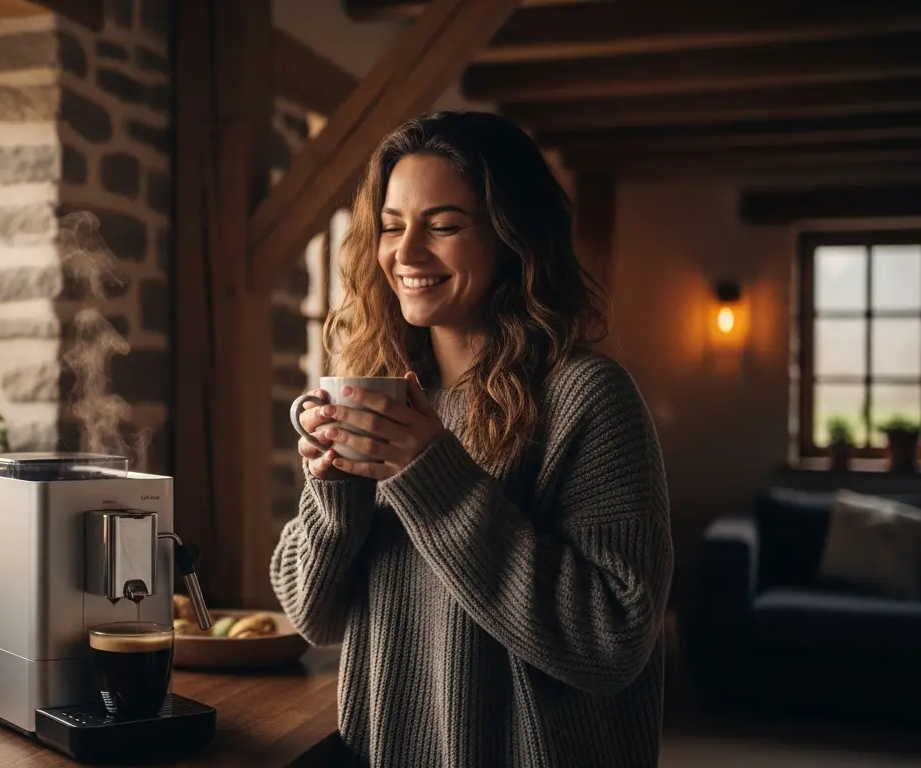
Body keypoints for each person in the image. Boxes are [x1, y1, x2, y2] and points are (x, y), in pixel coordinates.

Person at [273, 111, 672, 767]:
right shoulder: (389, 397)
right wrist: (334, 492)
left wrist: (434, 477)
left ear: (514, 238)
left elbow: (613, 641)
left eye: (445, 226)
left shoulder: (587, 397)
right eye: (393, 226)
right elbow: (313, 619)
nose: (406, 254)